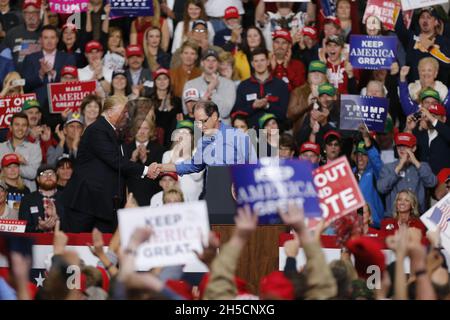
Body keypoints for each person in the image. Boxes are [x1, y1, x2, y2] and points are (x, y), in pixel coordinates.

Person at [62, 95, 160, 233]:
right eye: (123, 112)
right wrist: (145, 170)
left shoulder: (112, 131)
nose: (126, 116)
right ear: (109, 111)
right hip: (85, 203)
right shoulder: (97, 130)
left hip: (102, 204)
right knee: (76, 246)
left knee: (105, 245)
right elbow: (115, 161)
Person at [157, 100, 257, 199]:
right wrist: (161, 167)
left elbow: (254, 166)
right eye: (197, 122)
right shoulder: (202, 141)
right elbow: (194, 165)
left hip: (237, 194)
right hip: (214, 194)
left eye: (203, 121)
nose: (200, 126)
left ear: (214, 116)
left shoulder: (238, 136)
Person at [22, 25, 77, 120]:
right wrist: (41, 73)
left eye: (52, 37)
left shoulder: (68, 58)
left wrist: (54, 74)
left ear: (57, 39)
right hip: (37, 109)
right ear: (40, 40)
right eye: (46, 37)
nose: (49, 41)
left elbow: (72, 84)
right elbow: (25, 85)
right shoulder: (30, 58)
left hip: (62, 108)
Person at [377, 132, 437, 215]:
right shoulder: (388, 167)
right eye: (399, 146)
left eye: (405, 146)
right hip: (394, 217)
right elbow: (381, 188)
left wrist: (416, 162)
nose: (401, 149)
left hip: (418, 216)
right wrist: (399, 167)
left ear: (414, 148)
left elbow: (432, 183)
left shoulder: (422, 166)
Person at [233, 47, 289, 128]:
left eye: (262, 60)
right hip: (251, 132)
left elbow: (283, 115)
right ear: (252, 64)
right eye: (256, 61)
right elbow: (237, 113)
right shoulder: (243, 86)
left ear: (268, 62)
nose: (259, 64)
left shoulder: (280, 85)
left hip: (274, 132)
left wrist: (267, 105)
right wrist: (253, 106)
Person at [395, 6, 450, 83]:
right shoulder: (411, 37)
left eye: (429, 17)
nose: (425, 20)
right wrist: (399, 6)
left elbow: (447, 63)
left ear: (436, 22)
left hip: (435, 90)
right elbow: (399, 28)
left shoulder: (444, 41)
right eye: (422, 17)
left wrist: (430, 48)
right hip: (413, 88)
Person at [183, 48, 236, 124]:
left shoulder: (229, 84)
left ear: (218, 64)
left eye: (214, 60)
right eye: (207, 60)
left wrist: (213, 91)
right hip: (199, 129)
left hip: (222, 130)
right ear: (202, 63)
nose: (211, 63)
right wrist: (208, 91)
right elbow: (188, 111)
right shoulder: (190, 84)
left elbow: (225, 112)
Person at [125, 116, 165, 206]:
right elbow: (120, 175)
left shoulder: (160, 150)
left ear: (151, 131)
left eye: (146, 128)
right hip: (130, 199)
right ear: (133, 130)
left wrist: (145, 160)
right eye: (139, 128)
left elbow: (160, 176)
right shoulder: (125, 149)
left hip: (152, 200)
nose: (142, 132)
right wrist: (132, 160)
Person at [162, 120, 204, 202]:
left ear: (192, 137)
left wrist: (186, 154)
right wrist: (175, 156)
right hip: (173, 200)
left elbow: (197, 176)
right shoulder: (167, 154)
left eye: (186, 133)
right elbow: (166, 177)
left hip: (194, 200)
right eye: (180, 132)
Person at [0, 113, 42, 192]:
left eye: (24, 125)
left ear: (27, 129)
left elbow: (33, 173)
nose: (20, 128)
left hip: (27, 195)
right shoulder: (1, 147)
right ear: (10, 128)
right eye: (17, 125)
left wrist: (9, 165)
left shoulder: (34, 148)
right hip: (2, 195)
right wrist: (20, 164)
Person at [352, 127, 385, 229]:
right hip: (354, 226)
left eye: (364, 155)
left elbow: (376, 161)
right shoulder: (349, 173)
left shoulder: (376, 172)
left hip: (373, 225)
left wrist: (366, 138)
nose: (360, 158)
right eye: (358, 154)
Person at [405, 103, 450, 175]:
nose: (428, 118)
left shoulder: (446, 132)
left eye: (434, 116)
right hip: (422, 180)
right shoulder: (420, 134)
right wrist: (409, 129)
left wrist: (430, 116)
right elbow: (406, 152)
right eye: (427, 115)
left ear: (444, 119)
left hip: (444, 182)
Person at [18, 164, 62, 232]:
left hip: (62, 241)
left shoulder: (66, 198)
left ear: (56, 177)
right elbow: (23, 228)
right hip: (36, 241)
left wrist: (57, 219)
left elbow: (74, 225)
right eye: (43, 174)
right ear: (38, 179)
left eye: (51, 173)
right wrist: (39, 227)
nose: (48, 176)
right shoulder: (28, 200)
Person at [2, 0, 42, 71]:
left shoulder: (47, 33)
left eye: (34, 12)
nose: (31, 16)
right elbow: (3, 59)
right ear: (23, 14)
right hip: (16, 78)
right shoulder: (13, 33)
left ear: (40, 14)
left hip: (40, 78)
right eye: (27, 12)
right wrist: (10, 73)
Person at [150, 68, 182, 147]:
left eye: (165, 78)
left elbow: (178, 121)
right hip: (153, 139)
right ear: (155, 82)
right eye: (159, 79)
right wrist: (161, 109)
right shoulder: (149, 99)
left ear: (169, 81)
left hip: (171, 138)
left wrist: (169, 108)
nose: (162, 82)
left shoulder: (176, 100)